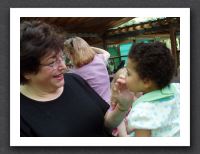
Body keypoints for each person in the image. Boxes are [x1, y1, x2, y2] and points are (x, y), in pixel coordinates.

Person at [20, 20, 133, 137]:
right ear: (27, 71)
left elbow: (106, 125)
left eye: (62, 57)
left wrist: (122, 107)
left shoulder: (75, 79)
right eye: (52, 62)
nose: (63, 66)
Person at [117, 42, 180, 137]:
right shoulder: (176, 89)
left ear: (146, 82)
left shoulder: (142, 112)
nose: (124, 76)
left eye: (129, 74)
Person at [64, 37, 111, 103]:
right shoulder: (99, 58)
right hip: (110, 101)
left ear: (72, 54)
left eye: (67, 54)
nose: (67, 57)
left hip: (98, 108)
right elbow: (107, 53)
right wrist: (88, 48)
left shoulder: (74, 73)